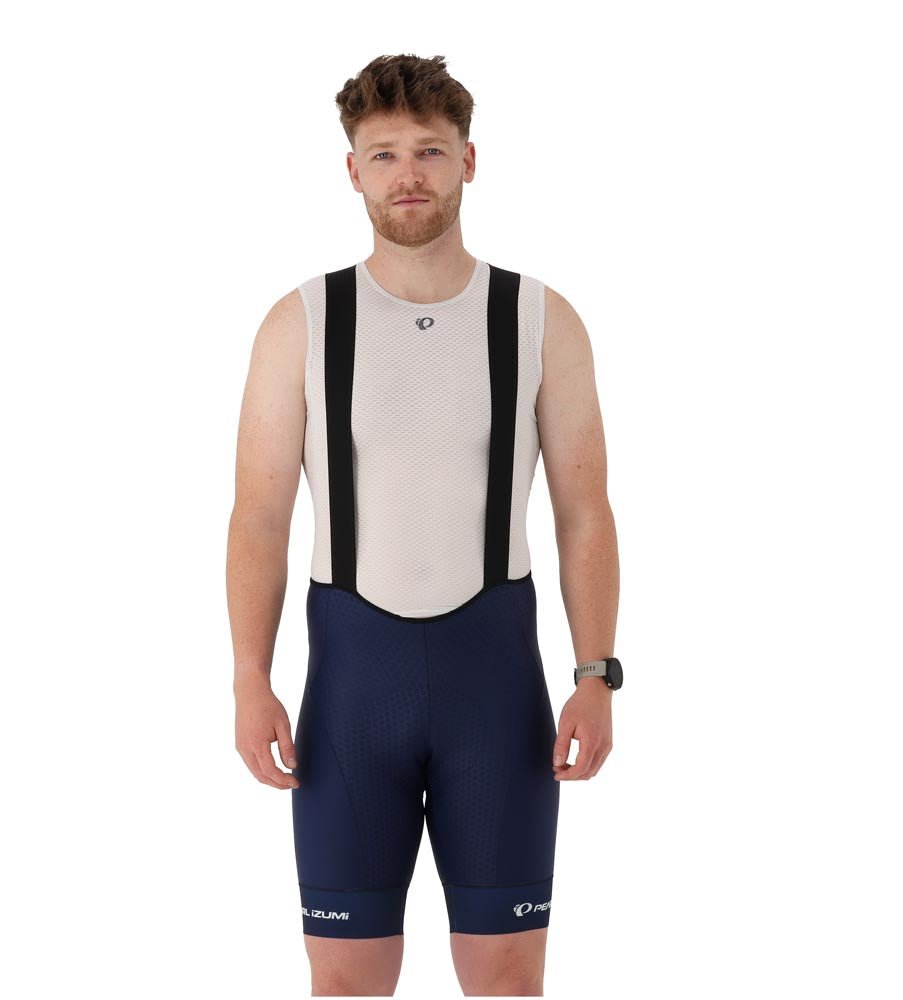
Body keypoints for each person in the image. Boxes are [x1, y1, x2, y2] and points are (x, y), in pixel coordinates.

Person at [227, 53, 621, 997]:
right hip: (351, 699)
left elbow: (584, 513)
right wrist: (249, 678)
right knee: (346, 983)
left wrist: (596, 675)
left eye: (431, 151)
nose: (409, 174)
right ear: (353, 171)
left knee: (508, 979)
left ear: (469, 161)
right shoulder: (301, 322)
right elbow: (259, 518)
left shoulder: (539, 318)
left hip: (496, 696)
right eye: (385, 154)